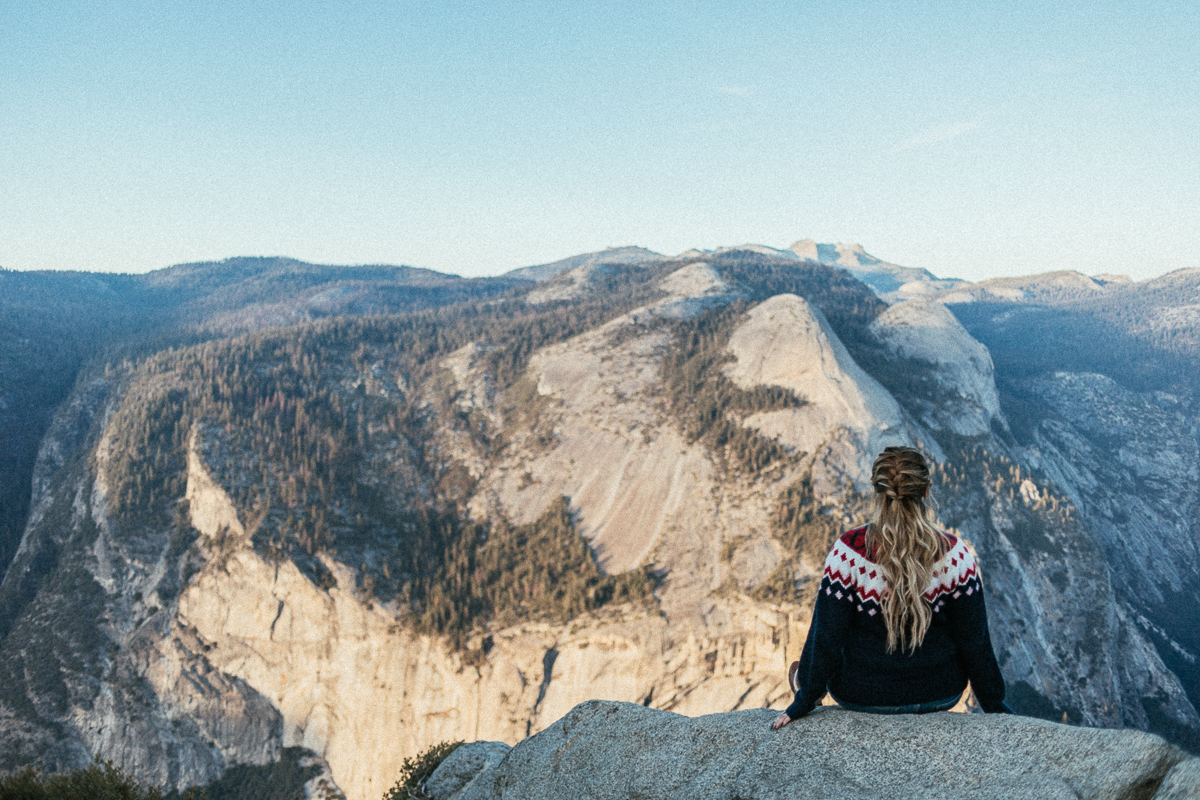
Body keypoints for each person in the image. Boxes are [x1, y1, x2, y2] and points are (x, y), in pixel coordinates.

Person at [771, 446, 1012, 730]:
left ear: (877, 493)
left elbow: (827, 636)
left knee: (801, 672)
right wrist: (995, 706)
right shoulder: (954, 555)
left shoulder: (849, 553)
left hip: (862, 695)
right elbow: (975, 641)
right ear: (925, 492)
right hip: (939, 693)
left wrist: (805, 699)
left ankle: (803, 681)